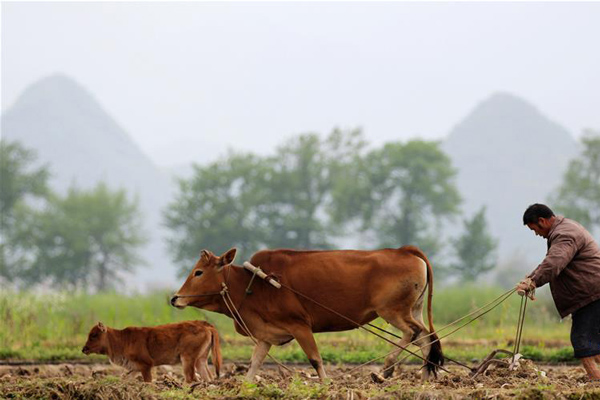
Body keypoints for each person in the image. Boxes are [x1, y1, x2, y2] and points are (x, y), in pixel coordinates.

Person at [516, 204, 600, 380]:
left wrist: (533, 282)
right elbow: (550, 260)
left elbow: (554, 262)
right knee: (593, 340)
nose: (536, 234)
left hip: (591, 293)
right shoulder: (564, 229)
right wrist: (531, 278)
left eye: (535, 229)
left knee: (582, 340)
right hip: (591, 291)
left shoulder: (564, 234)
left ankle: (595, 381)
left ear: (542, 221)